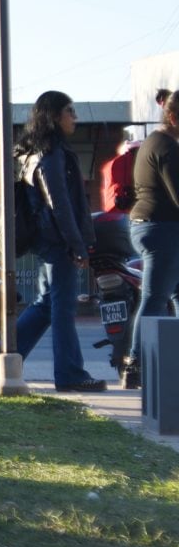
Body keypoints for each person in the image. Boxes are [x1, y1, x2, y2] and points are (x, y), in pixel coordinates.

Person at [0, 92, 105, 393]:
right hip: (58, 240)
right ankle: (70, 374)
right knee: (63, 308)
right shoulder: (52, 154)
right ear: (54, 116)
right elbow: (59, 203)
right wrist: (77, 244)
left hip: (46, 238)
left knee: (47, 303)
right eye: (70, 111)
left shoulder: (34, 151)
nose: (75, 117)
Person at [125, 90, 179, 388]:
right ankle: (136, 365)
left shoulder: (153, 142)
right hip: (163, 229)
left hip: (150, 226)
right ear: (173, 117)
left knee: (169, 295)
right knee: (155, 298)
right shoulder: (168, 147)